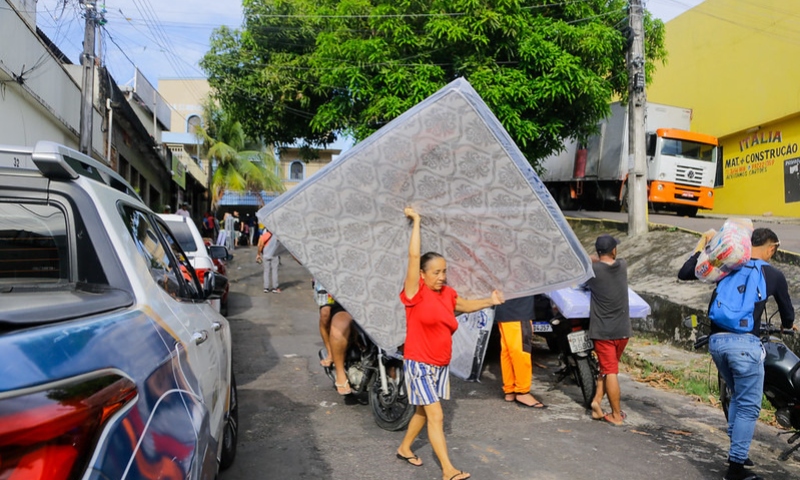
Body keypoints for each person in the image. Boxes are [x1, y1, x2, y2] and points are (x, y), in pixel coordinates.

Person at [396, 207, 504, 480]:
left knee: (423, 410)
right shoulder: (414, 292)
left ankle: (404, 447)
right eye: (436, 272)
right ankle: (448, 470)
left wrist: (489, 300)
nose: (442, 276)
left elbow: (465, 306)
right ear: (422, 274)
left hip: (440, 364)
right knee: (436, 415)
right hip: (419, 362)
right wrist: (417, 222)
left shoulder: (448, 293)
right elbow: (412, 256)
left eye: (444, 271)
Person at [679, 227, 795, 480]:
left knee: (737, 399)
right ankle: (735, 470)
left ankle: (737, 454)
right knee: (748, 407)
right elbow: (787, 314)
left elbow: (685, 272)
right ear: (772, 247)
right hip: (745, 346)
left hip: (717, 343)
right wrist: (788, 325)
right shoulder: (771, 273)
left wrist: (703, 244)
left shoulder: (726, 265)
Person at [586, 234, 631, 427]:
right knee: (606, 368)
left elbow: (588, 266)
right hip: (623, 330)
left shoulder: (593, 273)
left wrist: (591, 258)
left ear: (598, 251)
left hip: (604, 332)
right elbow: (604, 261)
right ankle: (596, 403)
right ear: (614, 251)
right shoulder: (622, 266)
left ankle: (615, 415)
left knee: (610, 370)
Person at [495, 295, 547, 408]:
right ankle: (522, 392)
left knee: (508, 351)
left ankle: (510, 389)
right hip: (518, 309)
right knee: (521, 350)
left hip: (505, 307)